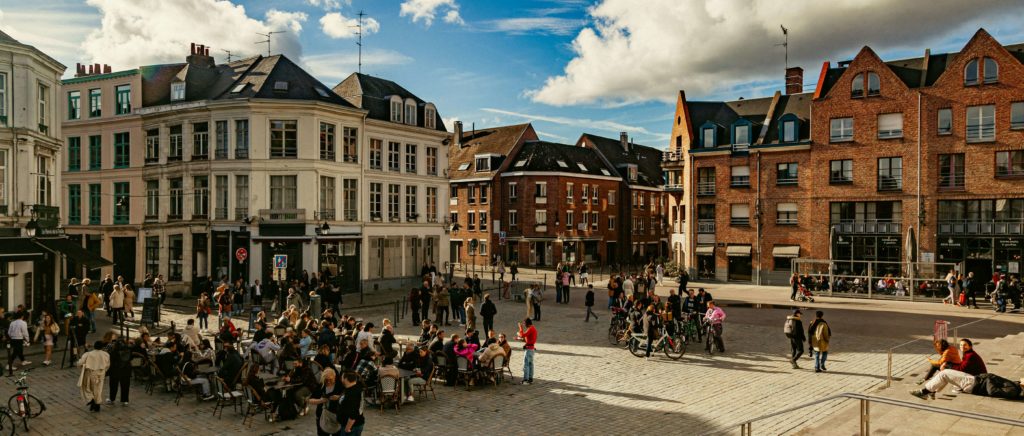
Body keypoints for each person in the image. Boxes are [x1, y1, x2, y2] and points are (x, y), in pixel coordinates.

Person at [911, 369, 1024, 400]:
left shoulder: (1014, 390)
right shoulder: (1016, 385)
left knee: (944, 374)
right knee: (945, 374)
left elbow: (992, 391)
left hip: (974, 384)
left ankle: (924, 392)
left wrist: (989, 378)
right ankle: (932, 392)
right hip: (975, 380)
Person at [78, 341, 110, 412]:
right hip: (101, 374)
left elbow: (80, 363)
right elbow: (107, 365)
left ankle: (91, 400)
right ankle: (97, 405)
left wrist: (82, 366)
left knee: (87, 388)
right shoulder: (106, 354)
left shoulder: (88, 354)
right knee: (98, 389)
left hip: (91, 373)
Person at [309, 368, 343, 436]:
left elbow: (348, 398)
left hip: (336, 416)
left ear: (335, 377)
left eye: (330, 379)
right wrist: (321, 400)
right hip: (322, 416)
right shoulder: (321, 386)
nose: (328, 382)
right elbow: (310, 400)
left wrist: (339, 397)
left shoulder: (340, 386)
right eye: (326, 380)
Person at [105, 336, 133, 405]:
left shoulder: (113, 352)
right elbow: (131, 359)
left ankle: (112, 399)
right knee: (125, 386)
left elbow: (110, 361)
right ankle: (125, 400)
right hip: (126, 371)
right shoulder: (128, 351)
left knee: (113, 386)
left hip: (115, 371)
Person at [337, 371, 366, 436]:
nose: (341, 379)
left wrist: (347, 428)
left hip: (351, 427)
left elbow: (353, 413)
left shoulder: (352, 393)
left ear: (346, 379)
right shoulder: (355, 388)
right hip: (353, 425)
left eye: (342, 377)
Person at [517, 318, 537, 384]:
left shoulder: (530, 329)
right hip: (531, 348)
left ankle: (526, 379)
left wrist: (520, 328)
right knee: (531, 364)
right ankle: (530, 378)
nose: (524, 325)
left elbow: (522, 335)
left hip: (529, 349)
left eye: (524, 323)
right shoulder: (532, 328)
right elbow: (527, 339)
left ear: (527, 323)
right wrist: (520, 339)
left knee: (526, 364)